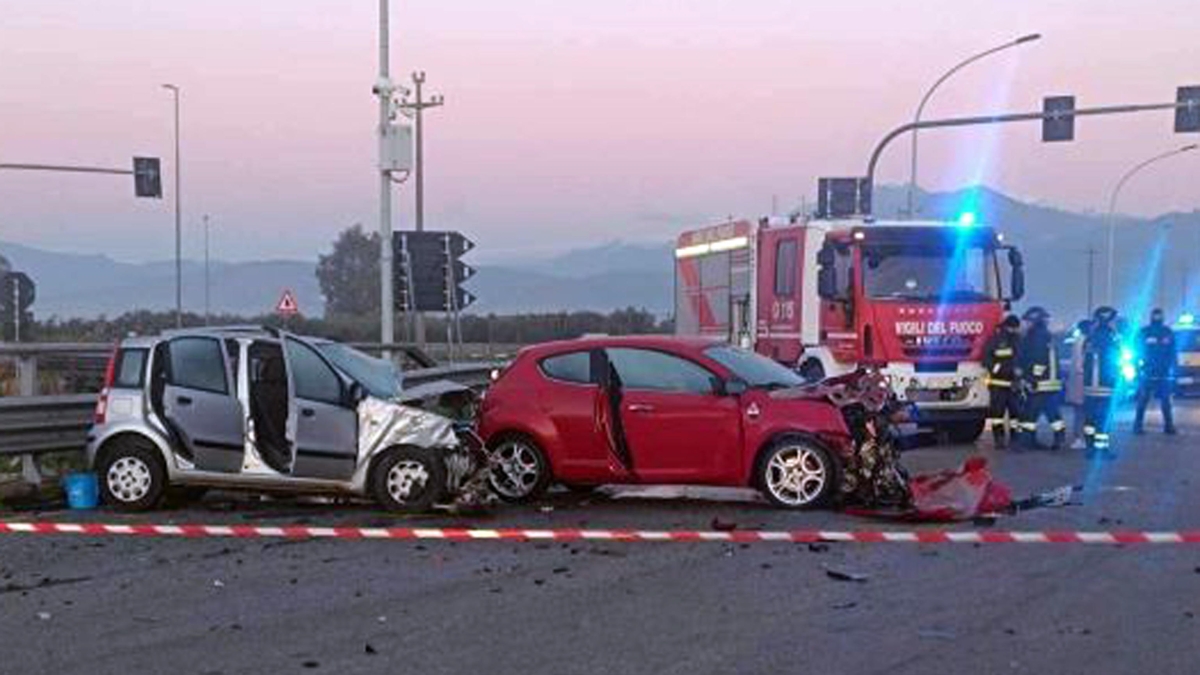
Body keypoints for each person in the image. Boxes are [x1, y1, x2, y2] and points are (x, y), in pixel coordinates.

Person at [1016, 306, 1066, 449]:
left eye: (1027, 321)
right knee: (1051, 412)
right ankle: (1058, 437)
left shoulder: (1036, 336)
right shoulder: (1045, 335)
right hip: (1049, 382)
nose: (1025, 325)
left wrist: (1031, 379)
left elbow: (1038, 359)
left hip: (1040, 382)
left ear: (1034, 321)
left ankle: (1026, 442)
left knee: (1030, 413)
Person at [1082, 306, 1121, 456]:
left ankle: (1090, 447)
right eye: (1114, 320)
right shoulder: (1110, 337)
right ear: (1108, 320)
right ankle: (1101, 449)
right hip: (1104, 384)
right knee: (1103, 419)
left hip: (1090, 385)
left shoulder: (1090, 337)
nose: (1115, 323)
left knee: (1090, 418)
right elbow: (1113, 361)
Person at [1133, 308, 1178, 435]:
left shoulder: (1168, 332)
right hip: (1147, 371)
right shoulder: (1144, 332)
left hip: (1163, 372)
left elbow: (1173, 352)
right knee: (1143, 400)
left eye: (1159, 315)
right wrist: (1137, 368)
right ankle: (1137, 425)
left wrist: (1174, 369)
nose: (1157, 317)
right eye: (1156, 315)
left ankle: (1168, 426)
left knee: (1166, 401)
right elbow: (1136, 351)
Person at [982, 314, 1022, 447]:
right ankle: (1002, 439)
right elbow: (987, 359)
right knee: (999, 415)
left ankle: (1009, 439)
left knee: (1011, 415)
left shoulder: (1017, 339)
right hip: (999, 383)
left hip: (1012, 384)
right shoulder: (996, 340)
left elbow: (1021, 359)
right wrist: (997, 370)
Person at [1066, 319, 1093, 450]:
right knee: (1082, 412)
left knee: (1079, 412)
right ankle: (1079, 438)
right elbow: (1080, 364)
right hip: (1081, 381)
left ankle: (1079, 437)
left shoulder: (1078, 341)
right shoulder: (1083, 342)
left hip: (1077, 381)